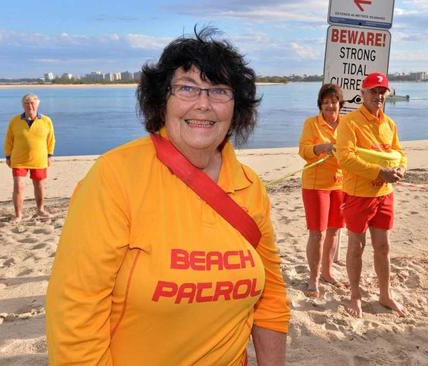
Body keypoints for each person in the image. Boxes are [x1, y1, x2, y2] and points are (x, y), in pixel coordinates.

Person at [46, 27, 290, 365]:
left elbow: (272, 299)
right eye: (187, 88)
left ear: (237, 108)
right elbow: (76, 308)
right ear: (162, 100)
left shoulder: (250, 186)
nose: (203, 104)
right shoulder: (116, 176)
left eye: (219, 91)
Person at [335, 72, 408, 317]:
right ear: (363, 93)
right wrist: (379, 171)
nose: (378, 96)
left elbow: (399, 152)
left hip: (385, 193)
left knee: (383, 246)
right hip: (359, 194)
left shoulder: (389, 124)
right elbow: (345, 159)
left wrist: (401, 168)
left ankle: (385, 295)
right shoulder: (350, 122)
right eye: (373, 91)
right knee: (357, 245)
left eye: (382, 92)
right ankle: (354, 296)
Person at [298, 83, 346, 297]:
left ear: (340, 104)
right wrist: (322, 148)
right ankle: (313, 277)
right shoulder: (311, 124)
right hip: (316, 184)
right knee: (317, 233)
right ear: (320, 105)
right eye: (325, 102)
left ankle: (327, 272)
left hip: (341, 184)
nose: (330, 105)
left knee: (335, 230)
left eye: (333, 101)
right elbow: (304, 150)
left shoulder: (347, 124)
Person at [3, 93, 55, 223]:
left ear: (37, 104)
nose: (30, 106)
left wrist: (49, 155)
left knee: (39, 186)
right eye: (27, 103)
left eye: (32, 103)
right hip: (19, 160)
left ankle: (40, 210)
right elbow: (9, 139)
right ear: (23, 105)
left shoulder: (46, 120)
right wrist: (8, 155)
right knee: (19, 186)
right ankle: (18, 215)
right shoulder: (14, 121)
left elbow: (51, 139)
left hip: (39, 159)